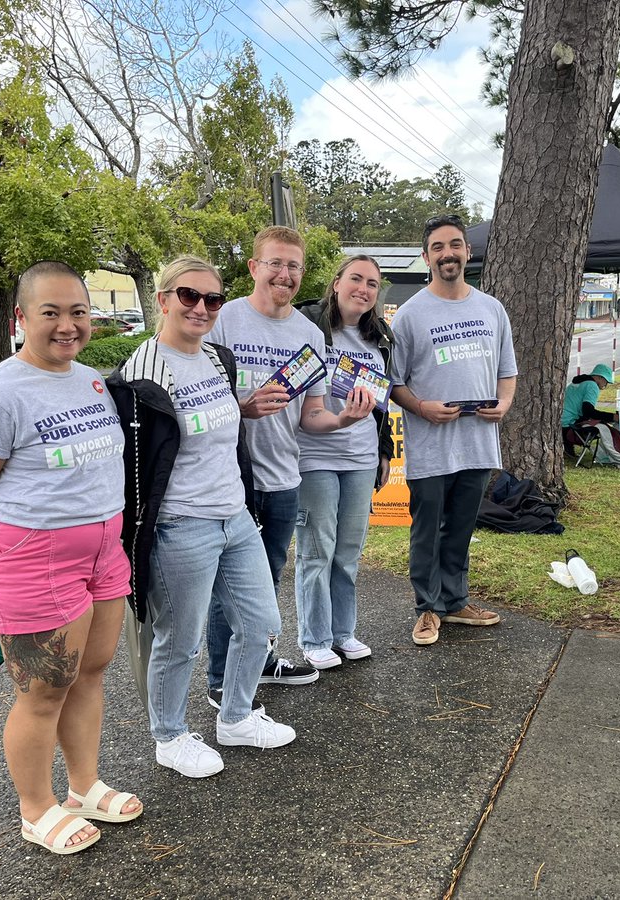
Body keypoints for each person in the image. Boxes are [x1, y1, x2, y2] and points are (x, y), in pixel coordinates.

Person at [0, 261, 141, 856]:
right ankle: (37, 807)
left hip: (104, 549)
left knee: (90, 672)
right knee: (43, 692)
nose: (67, 325)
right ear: (21, 318)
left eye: (77, 312)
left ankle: (83, 786)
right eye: (51, 313)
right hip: (32, 558)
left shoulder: (89, 381)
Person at [108, 255, 311, 770]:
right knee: (181, 640)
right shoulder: (141, 373)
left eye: (213, 299)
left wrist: (243, 408)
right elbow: (132, 460)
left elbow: (214, 425)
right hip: (181, 524)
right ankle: (169, 736)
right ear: (162, 300)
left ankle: (236, 717)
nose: (201, 308)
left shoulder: (219, 358)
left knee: (261, 621)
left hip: (235, 515)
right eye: (188, 296)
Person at [206, 227, 376, 698]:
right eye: (275, 263)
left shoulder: (308, 334)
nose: (285, 274)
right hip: (230, 479)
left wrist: (344, 420)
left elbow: (312, 416)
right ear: (253, 268)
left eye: (294, 266)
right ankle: (221, 681)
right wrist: (241, 406)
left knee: (266, 579)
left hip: (283, 478)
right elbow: (195, 399)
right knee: (228, 587)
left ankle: (259, 661)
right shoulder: (224, 321)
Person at [390, 214, 518, 647]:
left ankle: (456, 600)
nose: (448, 253)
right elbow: (394, 383)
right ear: (426, 257)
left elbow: (507, 371)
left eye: (455, 245)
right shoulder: (409, 315)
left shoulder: (492, 308)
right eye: (439, 247)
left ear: (467, 251)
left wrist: (503, 403)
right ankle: (426, 608)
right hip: (430, 445)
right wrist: (422, 407)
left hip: (477, 443)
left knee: (462, 524)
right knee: (427, 527)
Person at [294, 255, 395, 669]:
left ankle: (343, 632)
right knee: (316, 551)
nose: (364, 289)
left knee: (348, 552)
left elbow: (382, 404)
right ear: (336, 283)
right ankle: (314, 637)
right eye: (356, 279)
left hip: (360, 458)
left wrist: (384, 450)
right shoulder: (309, 328)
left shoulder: (380, 339)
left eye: (372, 283)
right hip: (315, 455)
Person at [561, 363, 616, 453]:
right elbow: (588, 412)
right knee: (602, 426)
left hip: (560, 420)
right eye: (606, 382)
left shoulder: (577, 382)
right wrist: (612, 417)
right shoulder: (592, 386)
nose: (605, 385)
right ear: (600, 377)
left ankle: (567, 449)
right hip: (568, 425)